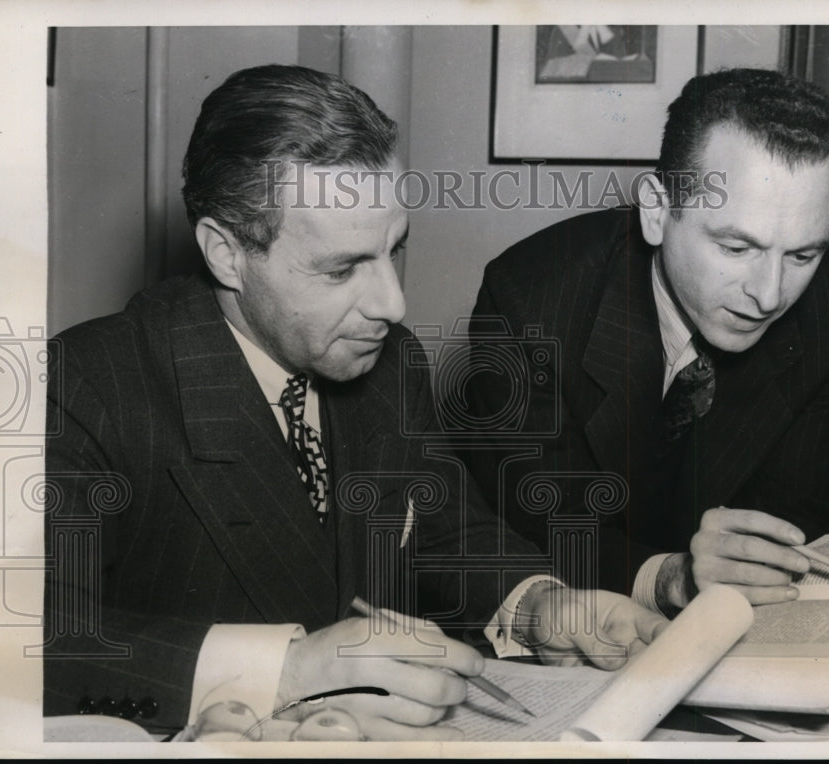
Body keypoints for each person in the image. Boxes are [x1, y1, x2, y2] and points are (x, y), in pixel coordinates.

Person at [42, 65, 668, 740]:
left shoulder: (389, 363)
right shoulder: (83, 386)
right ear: (226, 254)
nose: (392, 305)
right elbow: (36, 647)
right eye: (342, 269)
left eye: (394, 251)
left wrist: (540, 607)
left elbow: (440, 526)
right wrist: (290, 668)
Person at [461, 68, 829, 617]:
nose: (770, 295)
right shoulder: (530, 304)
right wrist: (672, 578)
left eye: (802, 255)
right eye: (736, 247)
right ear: (657, 211)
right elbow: (536, 529)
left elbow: (790, 526)